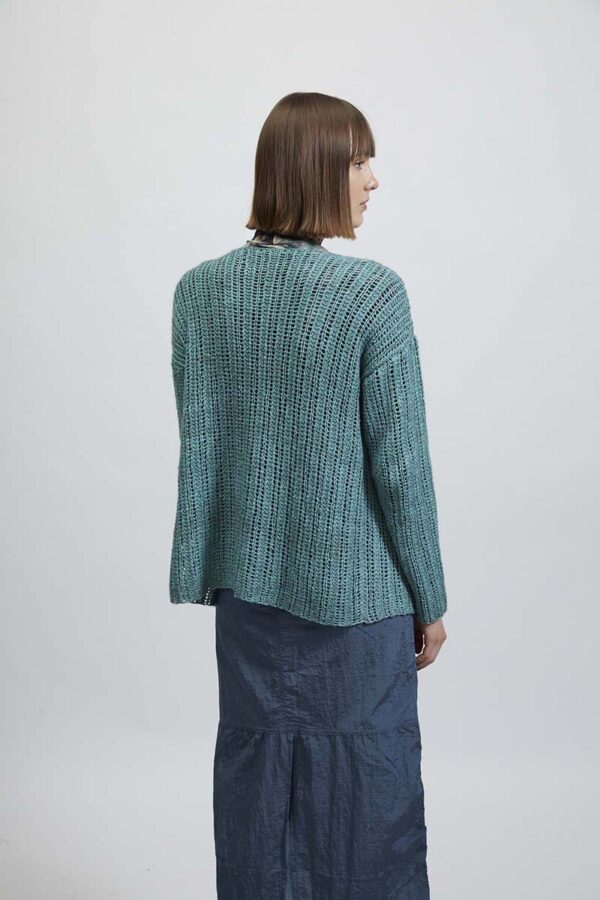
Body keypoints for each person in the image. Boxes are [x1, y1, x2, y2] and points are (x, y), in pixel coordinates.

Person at [169, 91, 448, 899]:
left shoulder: (199, 293)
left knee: (259, 796)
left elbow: (208, 440)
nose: (373, 181)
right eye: (359, 162)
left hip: (249, 602)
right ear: (317, 169)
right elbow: (402, 468)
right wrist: (430, 598)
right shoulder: (371, 294)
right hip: (359, 610)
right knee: (367, 803)